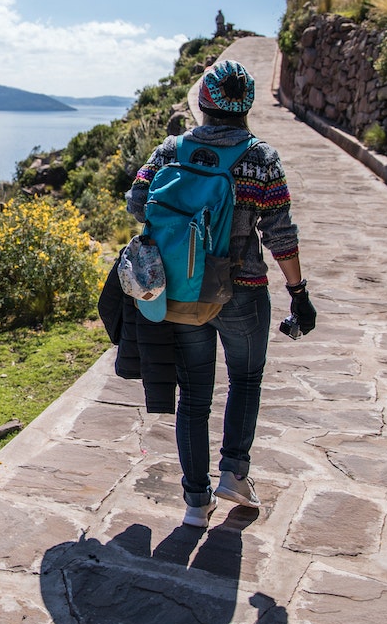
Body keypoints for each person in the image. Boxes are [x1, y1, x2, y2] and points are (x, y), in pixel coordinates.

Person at [125, 59, 316, 528]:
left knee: (194, 396)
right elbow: (280, 234)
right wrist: (299, 291)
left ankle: (195, 501)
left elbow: (136, 202)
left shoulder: (170, 150)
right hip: (243, 293)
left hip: (182, 294)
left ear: (204, 102)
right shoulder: (261, 159)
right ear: (246, 104)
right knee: (245, 381)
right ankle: (234, 473)